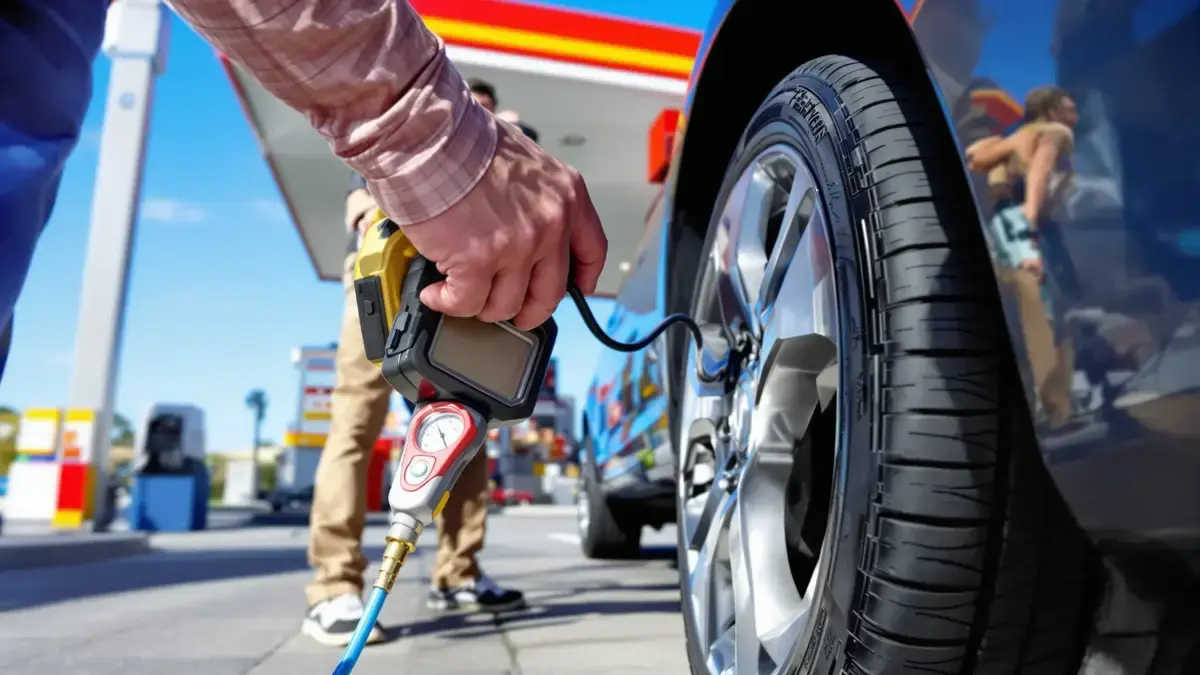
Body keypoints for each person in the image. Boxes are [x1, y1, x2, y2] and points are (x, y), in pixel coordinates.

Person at [0, 0, 607, 382]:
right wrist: (444, 141)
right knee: (359, 410)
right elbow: (358, 212)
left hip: (468, 311)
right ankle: (338, 579)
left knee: (463, 424)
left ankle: (459, 572)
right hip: (394, 291)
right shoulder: (383, 173)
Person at [967, 86, 1079, 427]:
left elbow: (976, 159)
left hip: (1009, 222)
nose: (1075, 115)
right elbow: (1041, 173)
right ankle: (1056, 409)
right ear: (1050, 111)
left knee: (1042, 312)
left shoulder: (1014, 139)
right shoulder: (1054, 133)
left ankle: (1053, 405)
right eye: (1069, 108)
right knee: (1042, 315)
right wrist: (1030, 220)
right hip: (1022, 224)